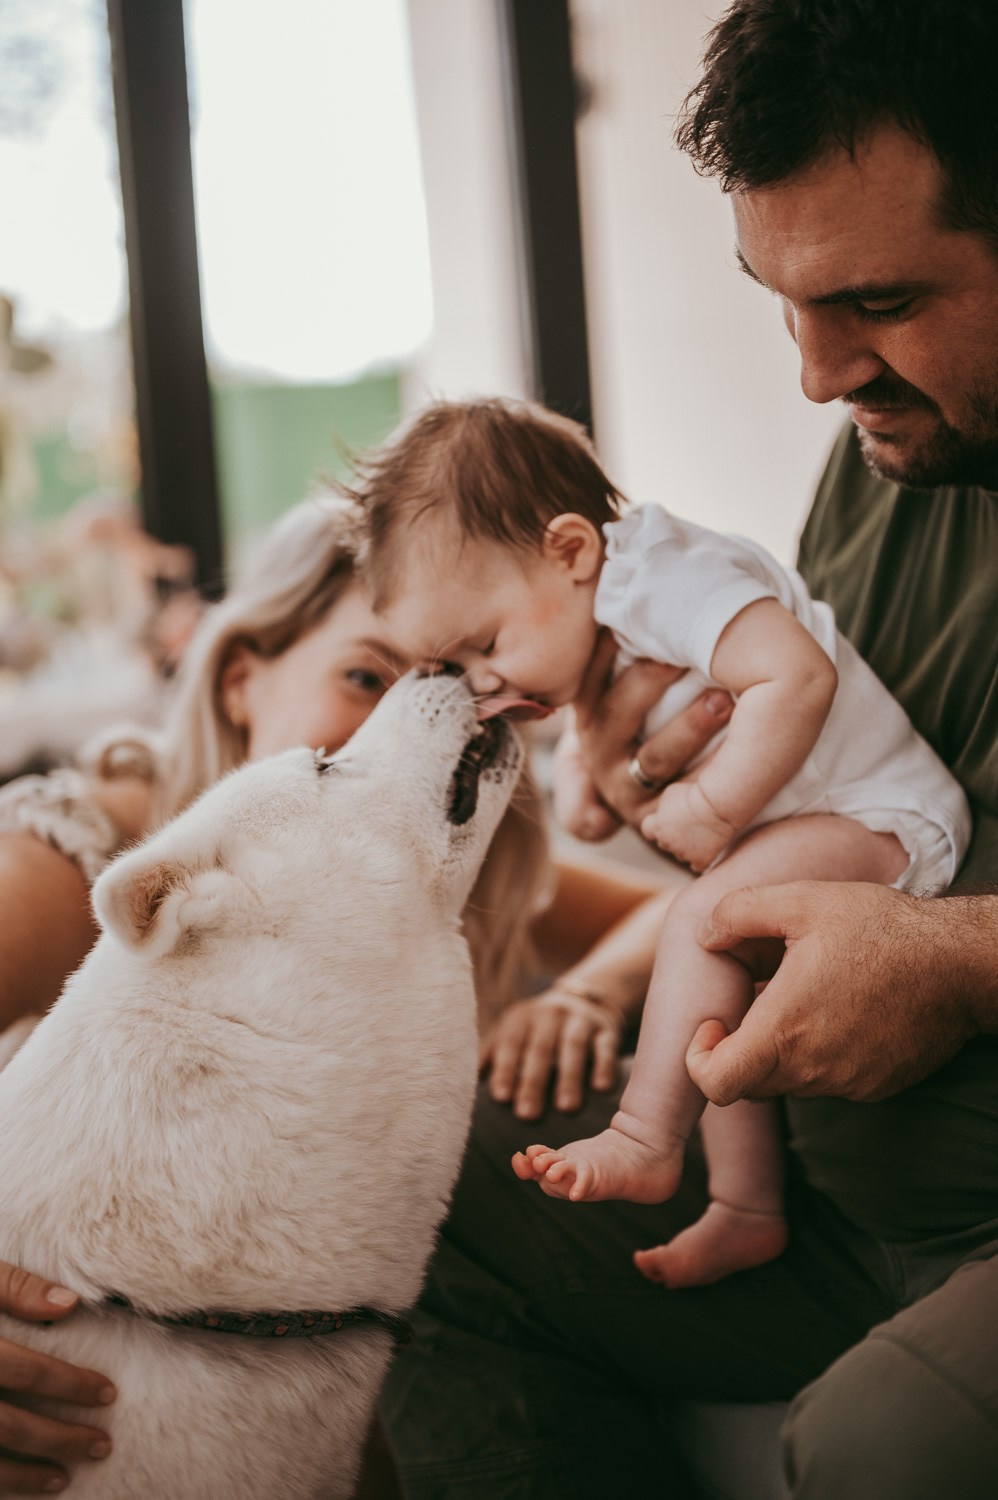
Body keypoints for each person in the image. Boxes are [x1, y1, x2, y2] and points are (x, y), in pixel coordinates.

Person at [375, 3, 998, 1497]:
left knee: (882, 1447)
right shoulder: (899, 449)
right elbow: (792, 802)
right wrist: (615, 908)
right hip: (832, 1190)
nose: (818, 375)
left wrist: (964, 962)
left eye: (879, 298)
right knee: (395, 1196)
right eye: (780, 300)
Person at [0, 493, 676, 1495]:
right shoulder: (87, 861)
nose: (425, 709)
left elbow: (676, 906)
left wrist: (583, 995)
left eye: (462, 673)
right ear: (243, 677)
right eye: (366, 675)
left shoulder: (431, 868)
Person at [355, 394, 970, 1290]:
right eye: (457, 669)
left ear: (570, 550)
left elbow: (796, 675)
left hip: (880, 814)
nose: (483, 685)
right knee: (723, 987)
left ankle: (646, 1137)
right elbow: (602, 787)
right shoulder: (592, 630)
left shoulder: (662, 576)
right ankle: (746, 1208)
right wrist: (596, 794)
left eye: (484, 645)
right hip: (823, 824)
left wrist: (715, 804)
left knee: (702, 922)